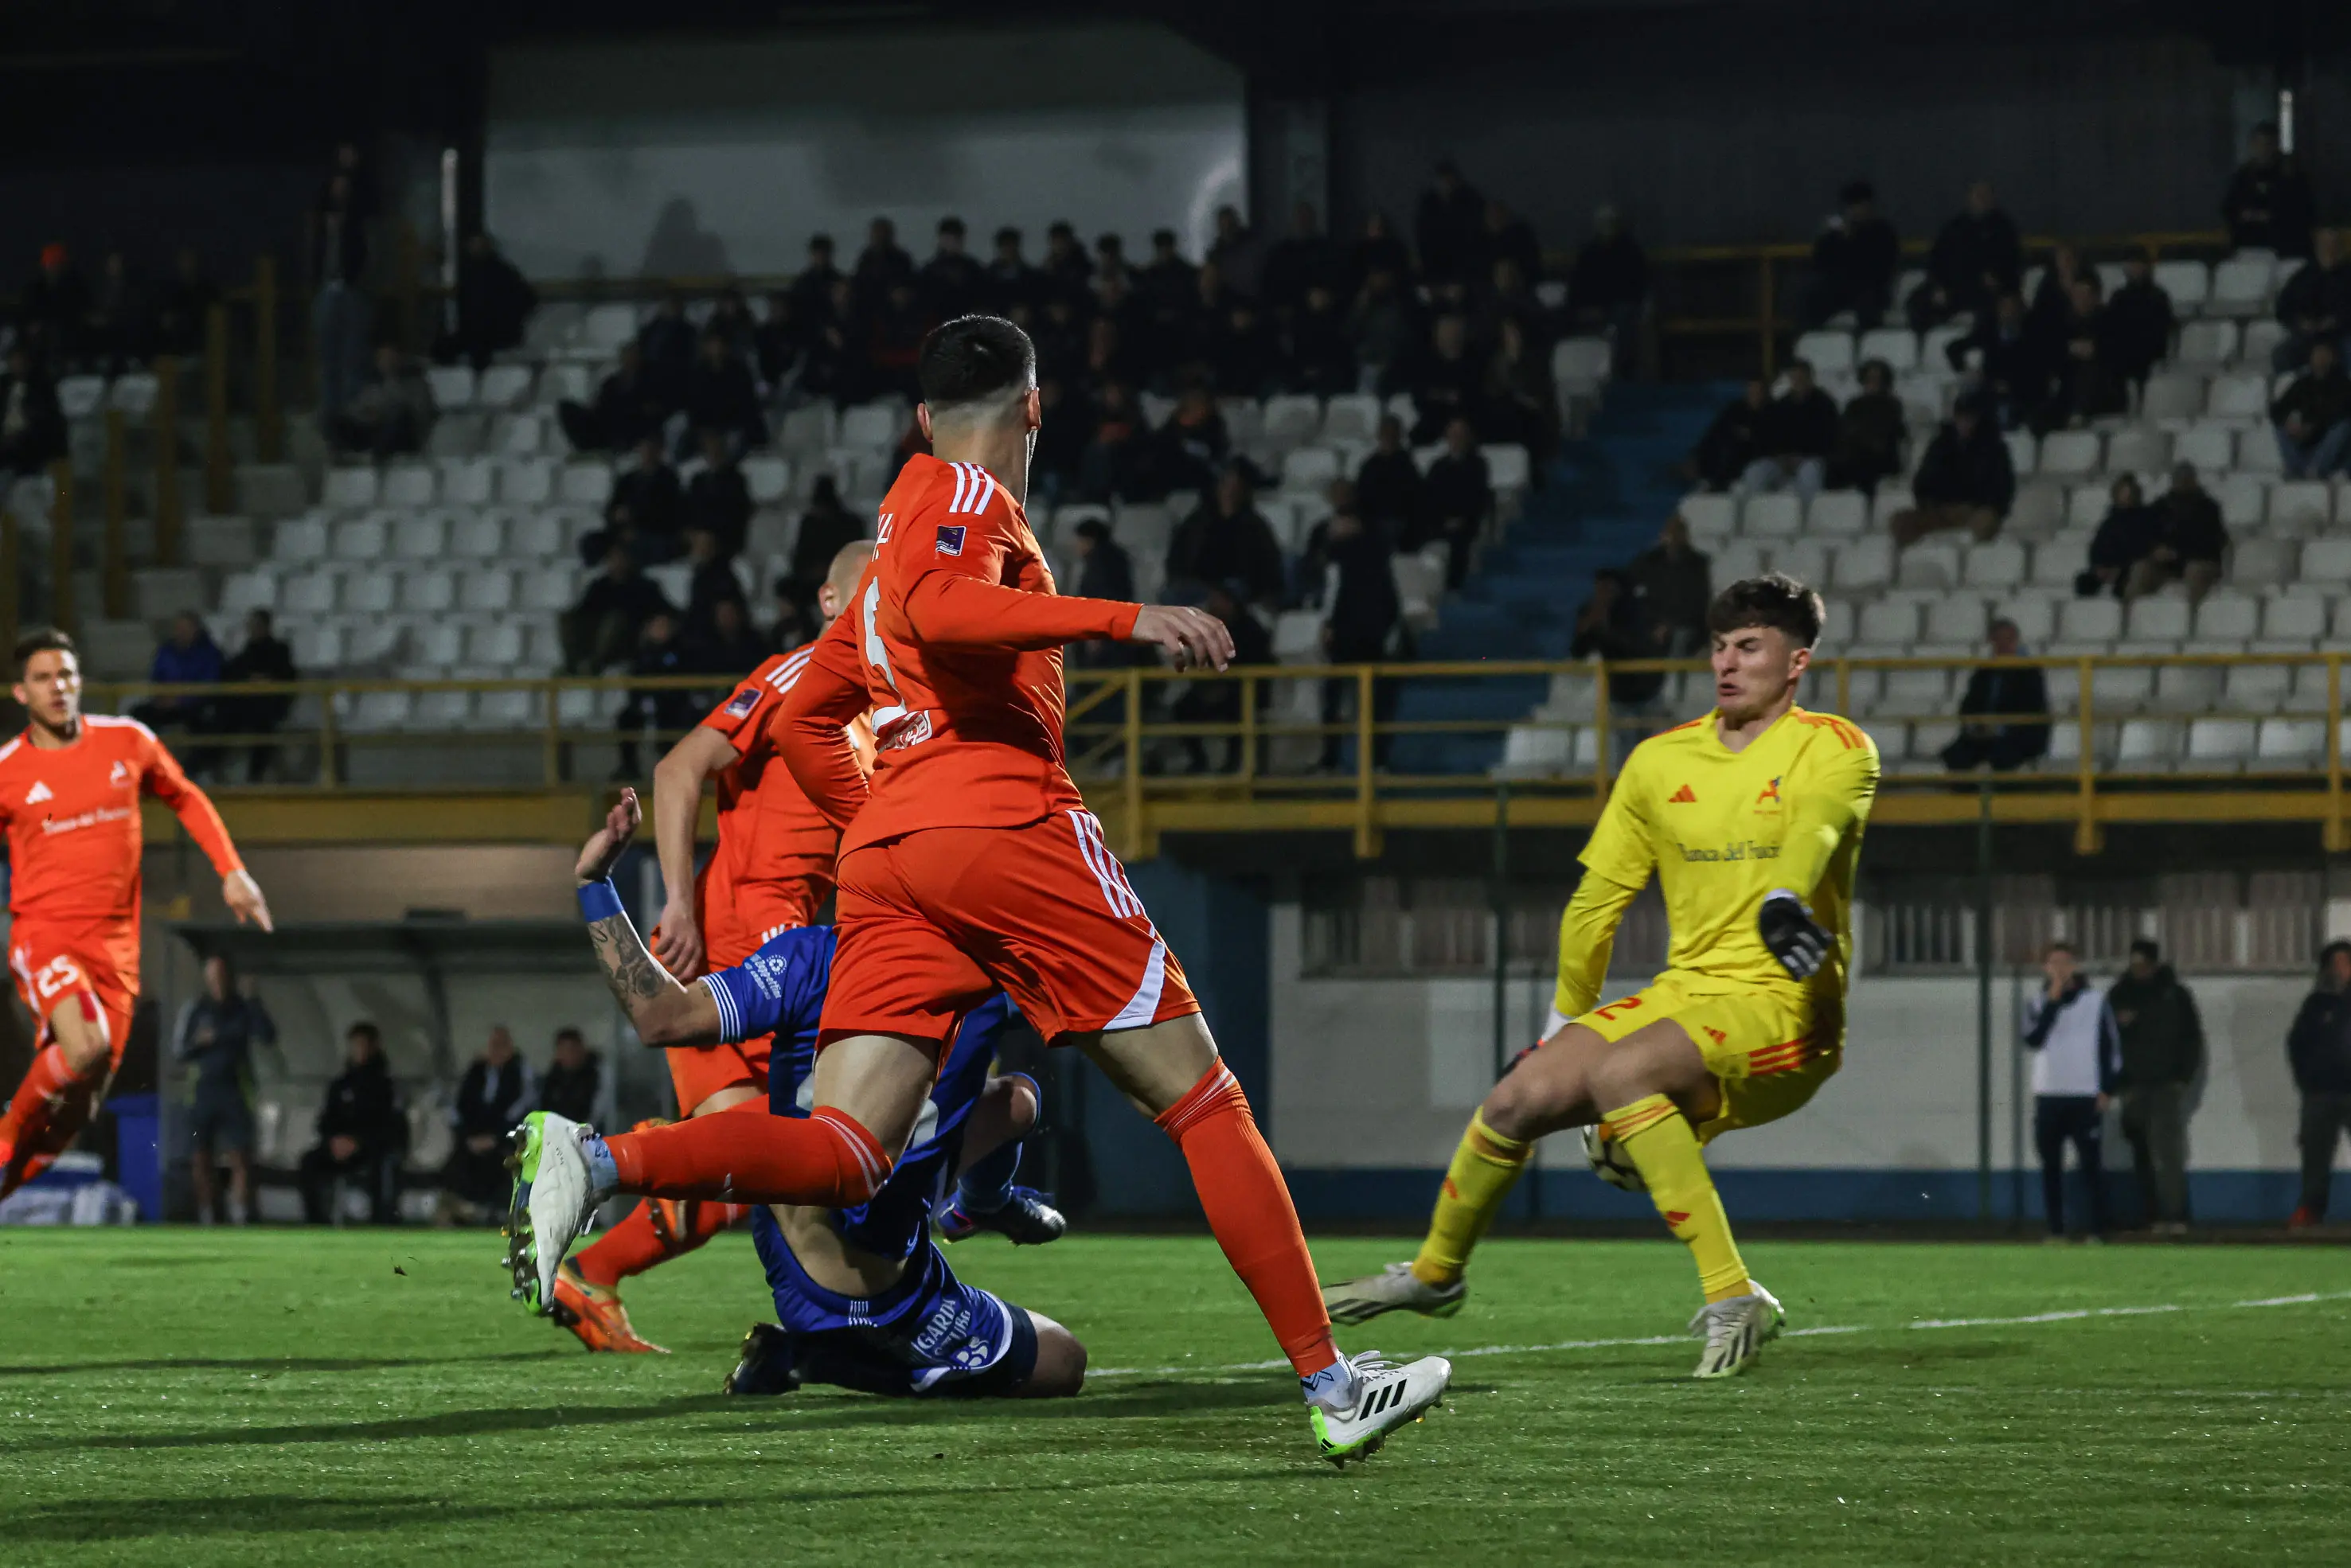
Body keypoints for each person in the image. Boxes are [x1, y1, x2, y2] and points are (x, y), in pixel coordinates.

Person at [511, 315, 1451, 1461]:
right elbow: (957, 611)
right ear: (1036, 406)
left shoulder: (878, 559)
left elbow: (812, 715)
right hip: (1002, 818)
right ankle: (1333, 1383)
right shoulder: (966, 497)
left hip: (898, 854)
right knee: (1204, 1101)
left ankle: (599, 1159)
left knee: (851, 1147)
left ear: (918, 413)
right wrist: (1126, 617)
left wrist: (886, 818)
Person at [1322, 575, 1877, 1380]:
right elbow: (1597, 900)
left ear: (1796, 661)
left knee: (1625, 1072)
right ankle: (1436, 1273)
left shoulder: (1836, 745)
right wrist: (1559, 1026)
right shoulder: (1659, 761)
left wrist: (1786, 900)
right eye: (1718, 645)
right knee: (1516, 1096)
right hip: (1687, 992)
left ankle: (1734, 1292)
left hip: (1788, 1007)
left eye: (1748, 646)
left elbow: (1817, 830)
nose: (1726, 661)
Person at [512, 790, 1078, 1393]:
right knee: (1062, 1360)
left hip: (791, 1248)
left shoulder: (810, 955)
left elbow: (661, 1016)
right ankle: (816, 1356)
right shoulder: (988, 970)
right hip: (871, 1283)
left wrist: (594, 883)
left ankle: (974, 1209)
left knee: (1012, 1100)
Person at [551, 544, 877, 1342]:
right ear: (831, 599)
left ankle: (589, 1268)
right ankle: (585, 1169)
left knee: (753, 1169)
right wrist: (679, 900)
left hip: (790, 949)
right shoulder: (800, 675)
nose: (888, 607)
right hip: (732, 943)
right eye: (874, 591)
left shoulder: (880, 716)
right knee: (769, 1159)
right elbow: (677, 767)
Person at [0, 630, 272, 1196]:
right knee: (85, 1046)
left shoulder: (127, 741)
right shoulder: (7, 769)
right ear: (20, 693)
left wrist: (232, 871)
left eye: (67, 675)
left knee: (81, 1107)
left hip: (117, 951)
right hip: (45, 934)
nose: (59, 687)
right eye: (44, 678)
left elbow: (185, 796)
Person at [2021, 942, 2119, 1242]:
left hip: (2084, 1095)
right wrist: (2052, 1000)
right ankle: (2055, 1229)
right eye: (2053, 963)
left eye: (2065, 962)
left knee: (2091, 1165)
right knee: (2050, 1165)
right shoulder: (2036, 1003)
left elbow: (2111, 1048)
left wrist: (2106, 1089)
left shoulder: (2095, 1002)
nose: (2060, 968)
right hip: (2049, 1094)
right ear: (2046, 969)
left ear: (2075, 966)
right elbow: (2033, 1039)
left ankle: (2097, 1230)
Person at [2105, 939, 2202, 1236]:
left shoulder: (2175, 995)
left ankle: (2174, 1216)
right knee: (2142, 1153)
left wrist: (2180, 1080)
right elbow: (2108, 1043)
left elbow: (2192, 1040)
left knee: (2167, 1153)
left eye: (2144, 964)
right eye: (2135, 964)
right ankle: (2152, 1216)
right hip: (2134, 1087)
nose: (2140, 969)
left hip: (2164, 1086)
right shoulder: (2119, 995)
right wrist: (2120, 1084)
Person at [172, 954, 278, 1225]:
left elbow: (267, 1035)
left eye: (222, 975)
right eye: (212, 975)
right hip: (202, 1092)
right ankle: (209, 1213)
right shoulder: (196, 1009)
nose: (217, 981)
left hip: (235, 1090)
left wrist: (255, 1001)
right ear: (206, 978)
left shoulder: (243, 1007)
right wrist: (200, 1042)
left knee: (240, 1156)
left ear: (230, 977)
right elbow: (179, 1051)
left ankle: (241, 1213)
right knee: (200, 1157)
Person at [1314, 509, 1402, 771]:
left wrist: (1328, 625)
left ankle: (1330, 761)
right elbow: (1391, 598)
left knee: (1336, 699)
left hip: (1348, 636)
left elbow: (1334, 590)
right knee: (1373, 702)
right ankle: (1377, 762)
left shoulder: (1339, 554)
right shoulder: (1380, 553)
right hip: (1374, 636)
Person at [299, 1022, 404, 1225]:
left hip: (372, 1148)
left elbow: (390, 1125)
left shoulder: (387, 1086)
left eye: (364, 1044)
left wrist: (359, 1141)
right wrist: (333, 1141)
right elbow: (326, 1120)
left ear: (375, 1047)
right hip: (339, 1147)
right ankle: (315, 1222)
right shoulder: (340, 1085)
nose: (360, 1050)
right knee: (309, 1162)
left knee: (382, 1164)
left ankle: (380, 1222)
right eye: (356, 1045)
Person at [442, 1026, 537, 1225]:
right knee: (458, 1161)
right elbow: (458, 1108)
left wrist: (496, 1137)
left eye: (502, 1046)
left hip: (506, 1137)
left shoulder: (520, 1072)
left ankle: (500, 1213)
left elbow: (522, 1109)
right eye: (493, 1046)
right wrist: (469, 1138)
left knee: (507, 1160)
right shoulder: (475, 1072)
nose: (497, 1051)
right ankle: (464, 1210)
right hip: (473, 1139)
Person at [2286, 940, 2351, 1227]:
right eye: (2335, 963)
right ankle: (2310, 1211)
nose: (2340, 968)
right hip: (2319, 1093)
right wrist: (2307, 1081)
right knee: (2314, 1157)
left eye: (2346, 961)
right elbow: (2296, 1044)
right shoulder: (2315, 1004)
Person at [1890, 399, 2013, 546]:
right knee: (1901, 521)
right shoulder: (1940, 446)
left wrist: (1983, 504)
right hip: (1940, 510)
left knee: (1985, 523)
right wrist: (1929, 502)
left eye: (1970, 418)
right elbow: (1923, 480)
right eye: (1961, 418)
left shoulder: (1994, 447)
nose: (1965, 423)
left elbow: (2002, 486)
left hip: (1974, 510)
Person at [1907, 180, 2022, 330]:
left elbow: (2011, 264)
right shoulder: (1954, 227)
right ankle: (1923, 345)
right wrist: (1938, 286)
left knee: (1997, 308)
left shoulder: (2004, 229)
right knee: (1917, 302)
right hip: (1952, 288)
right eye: (1977, 195)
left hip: (1985, 290)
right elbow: (1937, 260)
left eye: (1985, 195)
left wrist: (1998, 278)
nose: (1981, 199)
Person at [1167, 467, 1286, 611]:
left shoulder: (1255, 526)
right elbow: (1180, 560)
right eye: (1227, 486)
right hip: (1201, 586)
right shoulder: (1197, 523)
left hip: (1239, 585)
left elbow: (1265, 568)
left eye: (1236, 488)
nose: (1230, 493)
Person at [1940, 618, 2048, 771]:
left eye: (2008, 639)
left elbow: (2032, 711)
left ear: (2016, 640)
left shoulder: (2029, 672)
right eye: (1999, 640)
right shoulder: (1984, 672)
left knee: (2002, 755)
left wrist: (2000, 727)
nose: (2003, 645)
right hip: (1983, 735)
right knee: (1956, 755)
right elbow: (1968, 705)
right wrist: (1975, 725)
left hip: (2017, 735)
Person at [311, 173, 371, 424]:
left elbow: (362, 255)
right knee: (327, 354)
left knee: (351, 352)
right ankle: (330, 410)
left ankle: (349, 409)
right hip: (327, 288)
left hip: (349, 288)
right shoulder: (320, 225)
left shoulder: (356, 223)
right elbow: (315, 256)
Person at [1803, 181, 1899, 330]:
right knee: (1811, 298)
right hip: (1840, 288)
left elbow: (1881, 267)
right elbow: (1820, 262)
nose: (1856, 210)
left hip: (1871, 288)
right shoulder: (1836, 235)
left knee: (1868, 304)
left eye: (1860, 205)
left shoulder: (1882, 231)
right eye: (1852, 206)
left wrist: (1854, 239)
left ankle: (1869, 346)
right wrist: (1831, 237)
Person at [562, 546, 672, 674]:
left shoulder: (644, 586)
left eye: (620, 558)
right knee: (567, 618)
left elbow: (663, 610)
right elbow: (583, 611)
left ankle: (595, 664)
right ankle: (573, 664)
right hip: (597, 636)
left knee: (615, 619)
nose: (616, 562)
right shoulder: (599, 586)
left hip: (631, 639)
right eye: (612, 558)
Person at [1741, 359, 1837, 502]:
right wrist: (1780, 457)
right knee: (1755, 471)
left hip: (1811, 459)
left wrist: (1802, 456)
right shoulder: (1781, 406)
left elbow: (1828, 438)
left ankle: (1809, 518)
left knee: (1810, 473)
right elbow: (1770, 437)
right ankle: (1758, 517)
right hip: (1781, 461)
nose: (1798, 382)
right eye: (1794, 378)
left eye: (1801, 378)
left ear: (1810, 378)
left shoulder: (1824, 404)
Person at [2130, 463, 2227, 604]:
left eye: (2186, 479)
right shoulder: (2160, 507)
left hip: (2199, 562)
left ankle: (2191, 618)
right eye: (2179, 479)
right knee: (2140, 570)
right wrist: (2155, 551)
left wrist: (2179, 553)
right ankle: (2131, 617)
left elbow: (2211, 543)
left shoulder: (2209, 508)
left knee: (2195, 571)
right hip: (2166, 567)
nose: (2182, 483)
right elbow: (2145, 535)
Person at [1565, 205, 1650, 368]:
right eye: (1603, 222)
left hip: (1620, 306)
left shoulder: (1630, 251)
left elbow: (1635, 287)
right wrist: (1583, 306)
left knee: (1623, 317)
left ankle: (1622, 370)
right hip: (1591, 306)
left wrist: (1604, 307)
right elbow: (1577, 284)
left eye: (1611, 222)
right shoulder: (1589, 252)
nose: (1607, 226)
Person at [1569, 567, 1663, 712]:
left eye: (1607, 588)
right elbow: (1578, 652)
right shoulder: (1590, 611)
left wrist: (1607, 631)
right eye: (1600, 588)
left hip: (1644, 685)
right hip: (1615, 690)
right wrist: (1586, 629)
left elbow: (1637, 647)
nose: (1603, 594)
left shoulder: (1634, 611)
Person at [221, 609, 298, 782]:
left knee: (262, 727)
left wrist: (267, 681)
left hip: (270, 706)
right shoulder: (248, 650)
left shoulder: (279, 650)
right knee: (220, 720)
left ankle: (255, 776)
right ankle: (201, 770)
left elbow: (287, 677)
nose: (253, 630)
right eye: (251, 626)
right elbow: (232, 672)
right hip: (246, 705)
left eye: (256, 626)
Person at [1418, 417, 1494, 587]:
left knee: (1459, 541)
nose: (1456, 439)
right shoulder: (1437, 467)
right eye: (1453, 435)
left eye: (1460, 435)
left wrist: (1462, 519)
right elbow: (1429, 497)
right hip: (1439, 522)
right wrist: (1442, 520)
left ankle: (1455, 587)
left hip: (1466, 522)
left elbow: (1478, 497)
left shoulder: (1478, 465)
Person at [2221, 122, 2315, 257]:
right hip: (2248, 248)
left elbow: (2303, 212)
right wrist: (2246, 215)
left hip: (2285, 249)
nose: (2263, 150)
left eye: (2268, 144)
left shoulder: (2292, 177)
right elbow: (2229, 209)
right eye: (2258, 144)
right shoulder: (2242, 177)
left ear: (2276, 146)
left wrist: (2272, 216)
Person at [558, 342, 666, 456]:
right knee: (566, 408)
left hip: (631, 429)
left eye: (634, 356)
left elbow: (652, 409)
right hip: (606, 426)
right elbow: (600, 404)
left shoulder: (650, 383)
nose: (630, 360)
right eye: (627, 356)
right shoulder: (612, 383)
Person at [448, 232, 537, 369]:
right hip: (484, 336)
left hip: (496, 336)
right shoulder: (472, 275)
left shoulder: (499, 273)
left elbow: (527, 299)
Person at [330, 344, 433, 459]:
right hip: (374, 430)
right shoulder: (373, 387)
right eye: (382, 358)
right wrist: (369, 414)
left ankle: (378, 454)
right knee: (338, 420)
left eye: (390, 357)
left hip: (405, 434)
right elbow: (355, 411)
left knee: (399, 419)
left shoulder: (416, 384)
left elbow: (418, 415)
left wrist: (385, 414)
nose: (386, 362)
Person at [1628, 515, 1712, 657]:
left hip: (1686, 626)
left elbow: (1698, 604)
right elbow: (1641, 597)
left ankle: (1674, 677)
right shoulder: (1649, 562)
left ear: (1686, 535)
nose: (1673, 537)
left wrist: (1669, 625)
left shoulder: (1697, 564)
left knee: (1680, 637)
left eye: (1678, 532)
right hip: (1653, 624)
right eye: (1670, 532)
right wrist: (1655, 624)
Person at [2271, 228, 2350, 373]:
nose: (2329, 250)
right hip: (2309, 337)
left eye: (2333, 245)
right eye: (2324, 245)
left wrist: (2336, 322)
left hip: (2342, 334)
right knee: (2281, 356)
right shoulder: (2303, 276)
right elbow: (2283, 307)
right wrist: (2300, 322)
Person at [135, 611, 224, 742]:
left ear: (196, 630)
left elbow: (209, 684)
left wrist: (182, 700)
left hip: (195, 707)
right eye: (178, 628)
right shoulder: (166, 650)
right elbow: (156, 676)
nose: (181, 632)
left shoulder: (209, 653)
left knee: (205, 723)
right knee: (138, 715)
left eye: (185, 628)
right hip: (165, 703)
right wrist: (161, 696)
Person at [2271, 337, 2351, 479]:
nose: (2320, 358)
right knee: (2280, 427)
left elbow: (2341, 412)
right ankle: (2295, 470)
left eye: (2324, 354)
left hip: (2326, 446)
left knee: (2343, 428)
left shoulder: (2343, 384)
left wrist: (2312, 425)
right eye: (2317, 354)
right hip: (2303, 444)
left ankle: (2317, 469)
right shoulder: (2302, 383)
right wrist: (2289, 422)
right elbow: (2277, 409)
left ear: (2333, 357)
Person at [2078, 474, 2161, 599]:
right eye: (2123, 492)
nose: (2127, 496)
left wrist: (2119, 568)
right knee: (2084, 582)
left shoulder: (2146, 518)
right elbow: (2097, 548)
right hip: (2108, 569)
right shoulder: (2110, 521)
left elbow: (2143, 548)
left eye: (2130, 492)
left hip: (2128, 568)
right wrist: (2099, 567)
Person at [1831, 359, 1907, 493]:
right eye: (1870, 379)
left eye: (1878, 379)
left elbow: (1892, 432)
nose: (1873, 383)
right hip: (1856, 453)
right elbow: (1844, 430)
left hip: (1883, 455)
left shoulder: (1892, 405)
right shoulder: (1854, 404)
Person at [2103, 258, 2174, 386]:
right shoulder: (2118, 297)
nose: (2135, 269)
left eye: (2139, 264)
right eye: (2132, 264)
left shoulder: (2159, 296)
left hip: (2150, 356)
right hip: (2123, 356)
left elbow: (2164, 329)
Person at [1415, 160, 1486, 285]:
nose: (1446, 183)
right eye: (1442, 179)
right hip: (1435, 257)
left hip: (1463, 257)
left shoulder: (1470, 199)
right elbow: (1422, 232)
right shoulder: (1428, 202)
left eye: (1449, 179)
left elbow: (1474, 230)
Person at [0, 343, 67, 477]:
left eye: (21, 360)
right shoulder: (4, 384)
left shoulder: (41, 385)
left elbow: (46, 419)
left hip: (30, 437)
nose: (17, 364)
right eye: (14, 360)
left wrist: (20, 433)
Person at [1355, 414, 1424, 541]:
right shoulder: (1369, 465)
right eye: (1386, 433)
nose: (1389, 437)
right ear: (1379, 435)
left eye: (1393, 433)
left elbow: (1414, 497)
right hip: (1373, 519)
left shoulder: (1407, 464)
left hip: (1399, 520)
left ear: (1399, 435)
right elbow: (1362, 495)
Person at [1693, 380, 1770, 493]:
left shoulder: (1771, 411)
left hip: (1756, 454)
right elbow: (1720, 428)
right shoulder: (1735, 408)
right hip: (1733, 449)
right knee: (1718, 444)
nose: (1755, 394)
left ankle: (1719, 482)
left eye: (1758, 391)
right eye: (1752, 391)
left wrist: (1751, 434)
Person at [538, 1028, 601, 1126]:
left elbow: (596, 1113)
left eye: (572, 1050)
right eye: (563, 1050)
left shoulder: (594, 1076)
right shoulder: (552, 1079)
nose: (568, 1055)